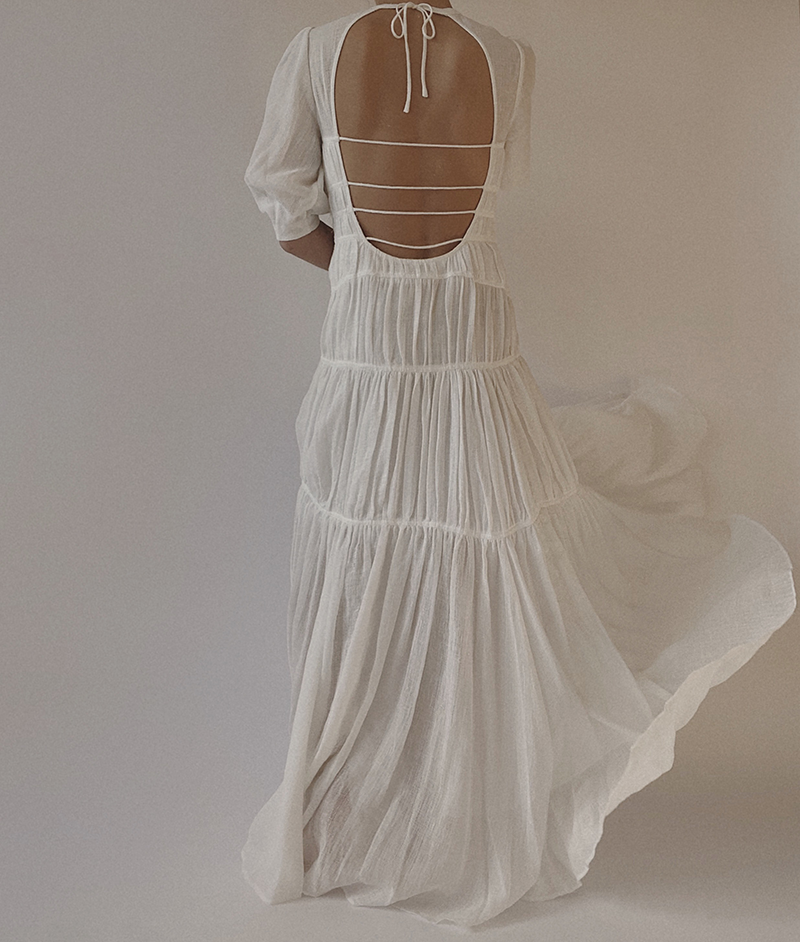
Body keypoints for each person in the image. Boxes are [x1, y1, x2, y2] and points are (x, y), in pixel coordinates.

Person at [240, 1, 796, 929]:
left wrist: (368, 276)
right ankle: (463, 809)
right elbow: (479, 189)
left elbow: (285, 210)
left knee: (364, 572)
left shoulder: (315, 53)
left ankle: (365, 809)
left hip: (372, 349)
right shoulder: (504, 58)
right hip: (471, 344)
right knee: (486, 569)